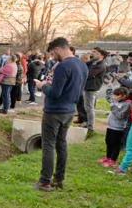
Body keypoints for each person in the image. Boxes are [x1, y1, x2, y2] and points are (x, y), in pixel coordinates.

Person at [35, 37, 87, 191]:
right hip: (69, 110)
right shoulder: (82, 65)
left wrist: (42, 86)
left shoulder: (63, 66)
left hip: (54, 111)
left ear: (57, 49)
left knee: (48, 145)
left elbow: (55, 92)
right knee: (62, 144)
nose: (52, 57)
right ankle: (59, 179)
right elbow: (79, 91)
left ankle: (45, 181)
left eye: (52, 54)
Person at [100, 87, 132, 168]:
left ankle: (113, 160)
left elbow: (120, 116)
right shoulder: (115, 101)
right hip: (110, 126)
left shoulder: (127, 105)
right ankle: (108, 157)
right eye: (114, 95)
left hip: (119, 128)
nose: (114, 97)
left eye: (117, 95)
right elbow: (109, 98)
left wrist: (113, 107)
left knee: (115, 144)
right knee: (108, 141)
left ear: (124, 96)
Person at [82, 48, 108, 138]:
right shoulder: (94, 61)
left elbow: (88, 74)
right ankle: (87, 123)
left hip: (92, 88)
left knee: (89, 108)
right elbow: (84, 64)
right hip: (88, 86)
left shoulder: (101, 65)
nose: (93, 53)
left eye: (95, 52)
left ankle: (91, 127)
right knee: (88, 107)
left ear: (101, 55)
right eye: (93, 52)